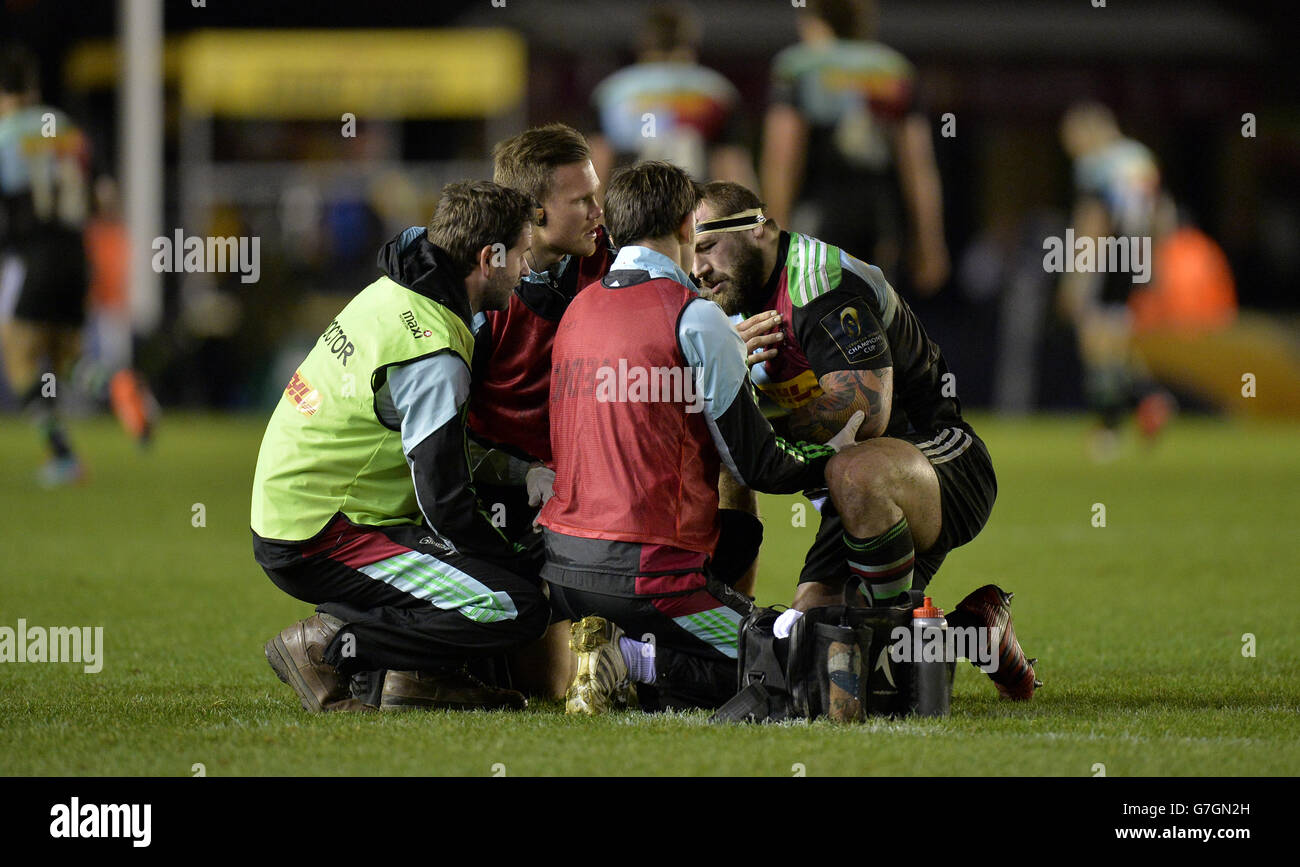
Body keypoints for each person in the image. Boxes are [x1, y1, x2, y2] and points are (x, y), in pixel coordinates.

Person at [537, 161, 864, 715]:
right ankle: (636, 660)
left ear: (614, 233)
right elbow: (759, 465)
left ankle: (625, 655)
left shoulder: (578, 309)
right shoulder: (695, 317)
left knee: (736, 532)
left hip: (562, 568)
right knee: (816, 667)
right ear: (689, 226)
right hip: (646, 575)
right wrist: (836, 456)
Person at [691, 180, 1038, 700]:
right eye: (688, 250)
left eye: (707, 245)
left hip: (940, 460)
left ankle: (907, 673)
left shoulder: (818, 283)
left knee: (852, 471)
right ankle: (973, 632)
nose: (697, 267)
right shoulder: (721, 302)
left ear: (760, 228)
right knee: (810, 643)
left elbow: (864, 412)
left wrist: (745, 422)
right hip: (852, 495)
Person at [252, 181, 549, 713]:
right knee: (514, 605)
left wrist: (518, 471)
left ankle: (415, 680)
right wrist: (516, 563)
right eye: (522, 255)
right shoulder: (433, 353)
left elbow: (438, 448)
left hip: (304, 508)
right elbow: (448, 505)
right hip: (323, 531)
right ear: (488, 258)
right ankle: (325, 645)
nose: (526, 270)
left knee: (483, 579)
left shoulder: (400, 287)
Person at [760, 0, 949, 297]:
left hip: (818, 211)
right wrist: (930, 241)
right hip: (880, 216)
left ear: (813, 18)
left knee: (818, 319)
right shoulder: (894, 70)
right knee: (873, 315)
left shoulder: (798, 66)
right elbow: (919, 166)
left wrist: (772, 239)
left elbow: (782, 158)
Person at [1059, 102, 1177, 460]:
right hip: (1135, 254)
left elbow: (1093, 219)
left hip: (1107, 258)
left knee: (1095, 344)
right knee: (1117, 342)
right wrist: (1155, 262)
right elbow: (1163, 211)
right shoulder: (1140, 157)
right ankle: (1149, 399)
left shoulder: (1096, 164)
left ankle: (1109, 428)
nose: (1071, 147)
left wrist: (1077, 276)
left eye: (1072, 138)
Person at [0, 44, 92, 484]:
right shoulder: (66, 127)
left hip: (34, 256)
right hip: (76, 253)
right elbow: (99, 190)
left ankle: (62, 456)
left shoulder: (4, 134)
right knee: (67, 361)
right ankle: (120, 387)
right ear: (33, 88)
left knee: (18, 355)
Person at [587, 2, 756, 188]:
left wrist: (595, 215)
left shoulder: (612, 93)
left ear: (643, 40)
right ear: (691, 39)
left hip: (631, 205)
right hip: (694, 203)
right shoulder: (715, 93)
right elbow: (731, 165)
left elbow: (597, 162)